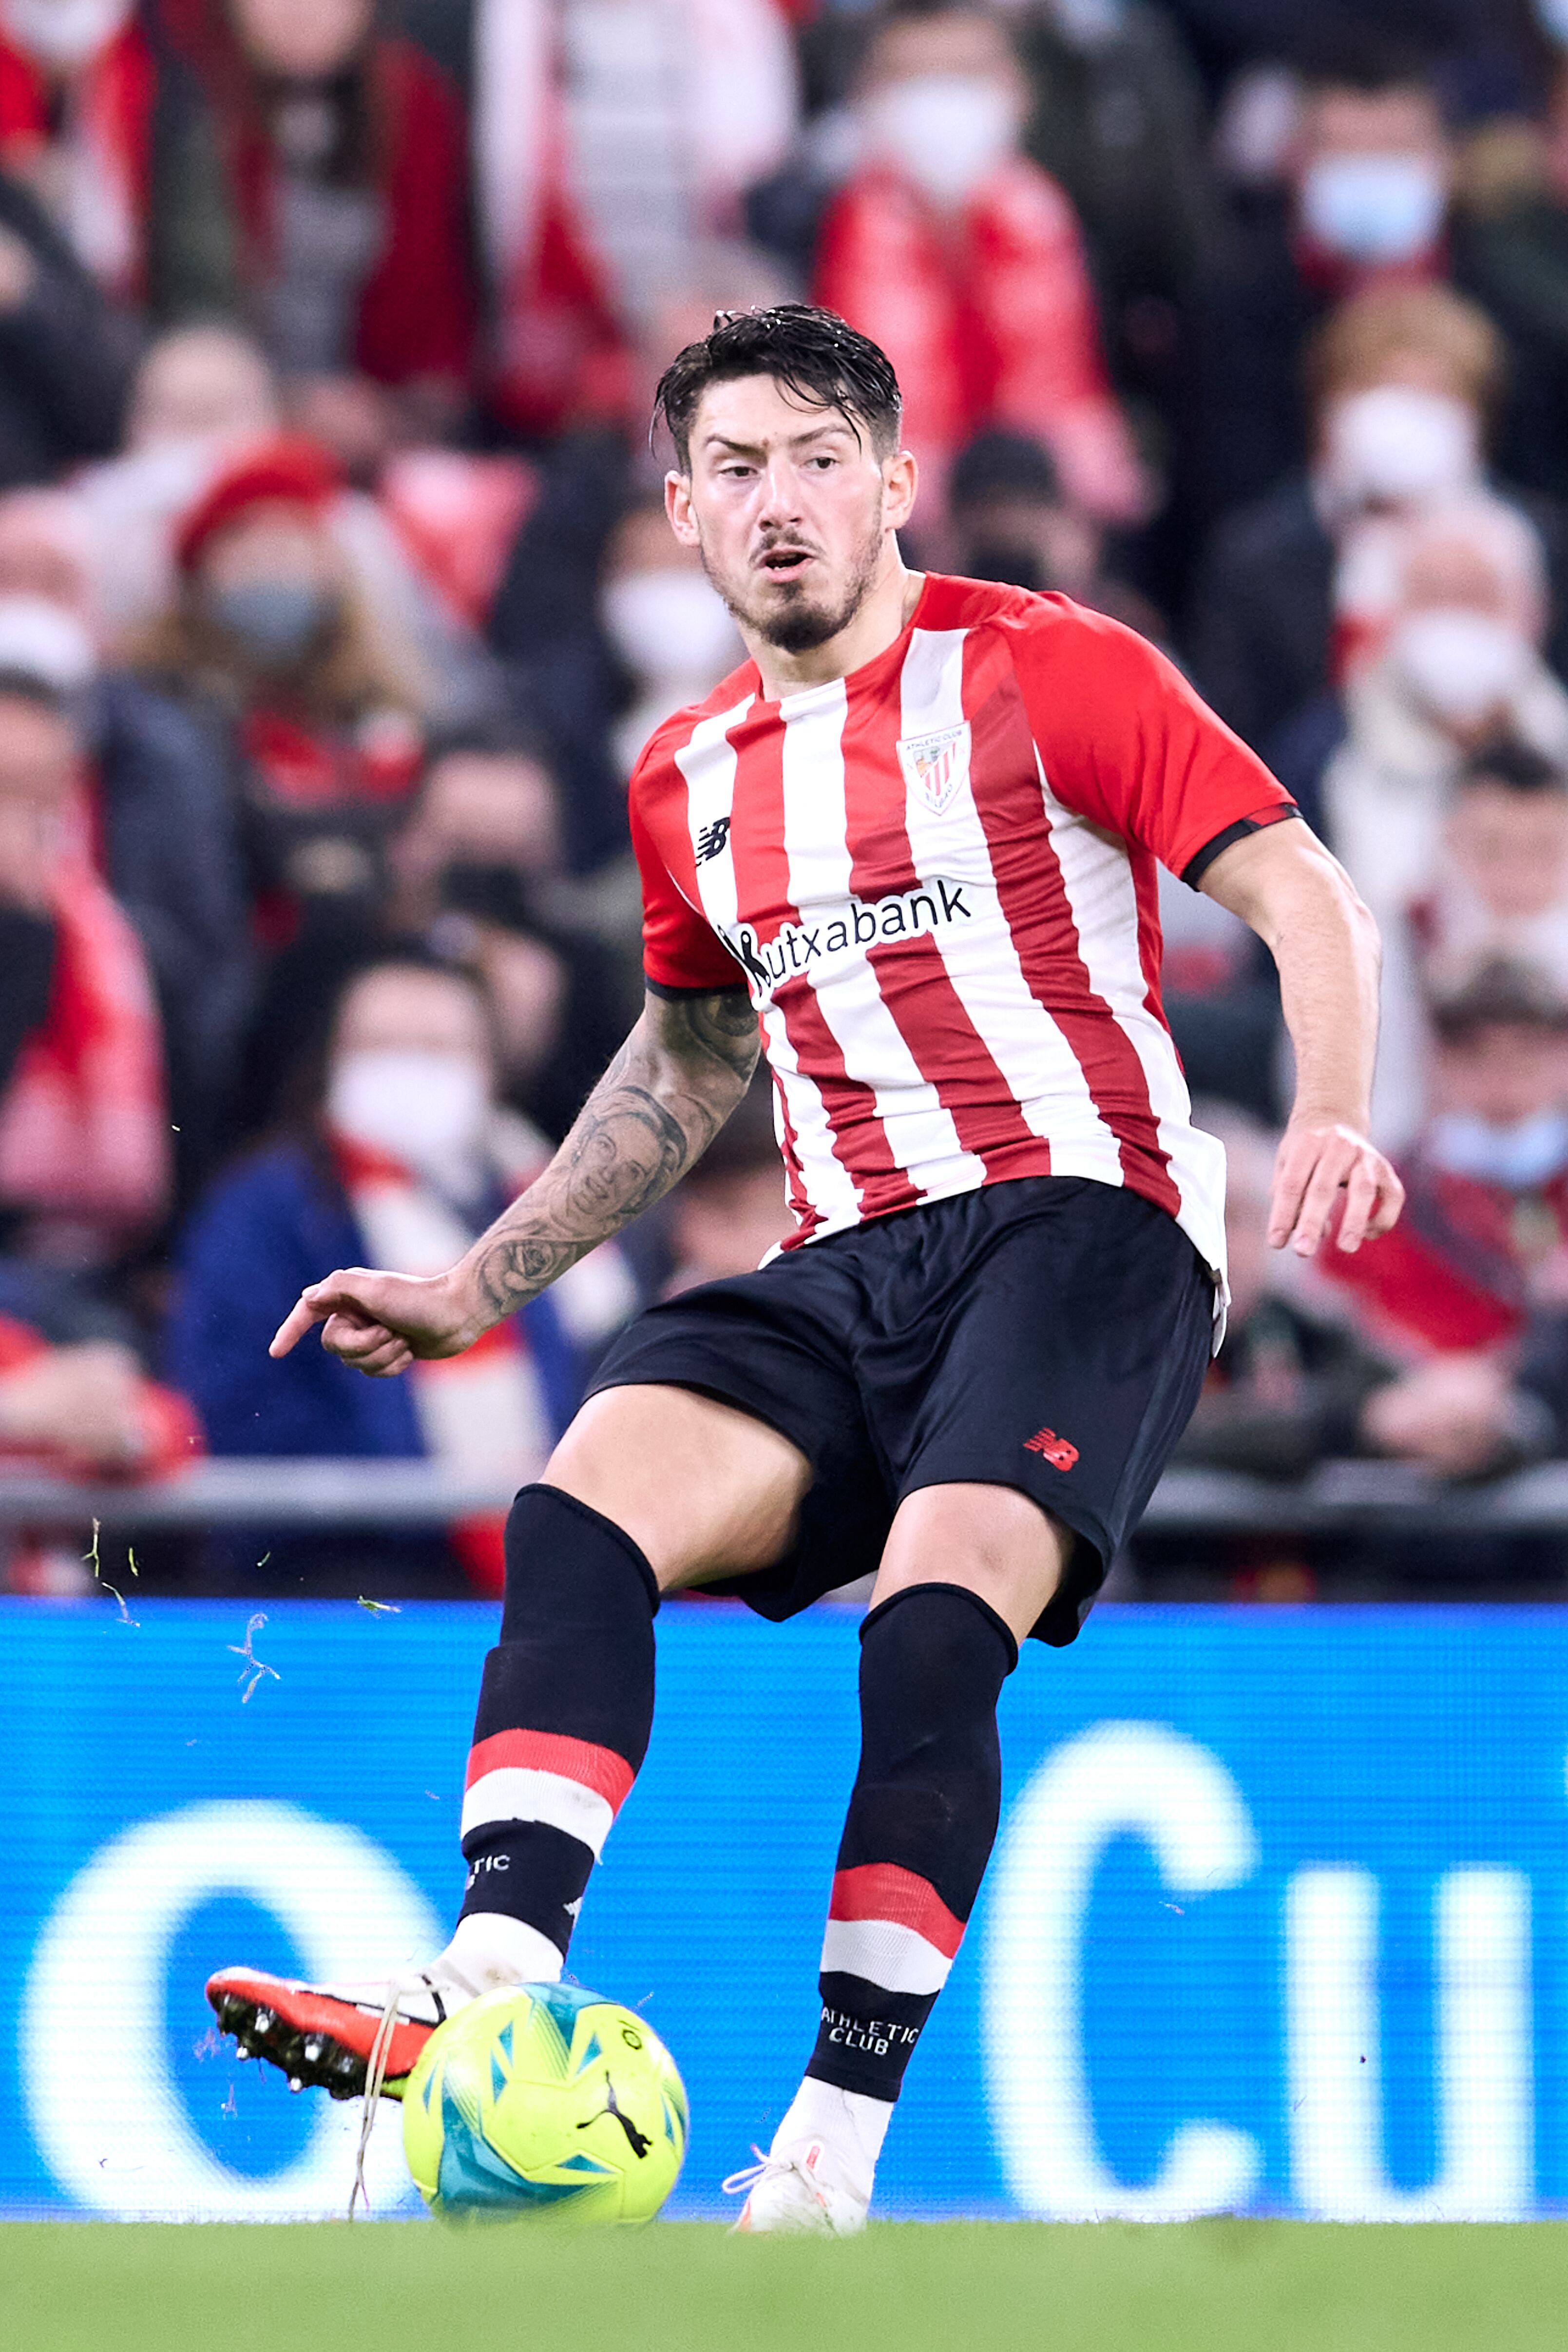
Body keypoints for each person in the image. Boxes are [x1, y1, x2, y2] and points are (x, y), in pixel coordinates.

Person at [204, 304, 1401, 2232]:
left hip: (1084, 1221)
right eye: (739, 469)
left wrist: (1333, 1106)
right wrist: (484, 1284)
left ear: (896, 482)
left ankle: (825, 2159)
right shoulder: (688, 775)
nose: (783, 501)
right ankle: (493, 1975)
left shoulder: (1044, 669)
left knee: (933, 1627)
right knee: (582, 1506)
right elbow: (690, 1054)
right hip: (844, 1256)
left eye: (820, 457)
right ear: (680, 513)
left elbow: (1298, 884)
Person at [169, 952, 636, 1595]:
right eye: (383, 1045)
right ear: (332, 1058)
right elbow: (240, 1402)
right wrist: (437, 1490)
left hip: (541, 1564)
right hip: (337, 1576)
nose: (410, 1068)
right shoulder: (268, 1206)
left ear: (489, 1067)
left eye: (438, 1046)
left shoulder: (554, 1200)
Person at [812, 0, 1146, 519]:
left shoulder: (1071, 217)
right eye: (913, 77)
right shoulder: (810, 222)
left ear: (1018, 90)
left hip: (1050, 509)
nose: (941, 98)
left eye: (965, 73)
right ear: (865, 95)